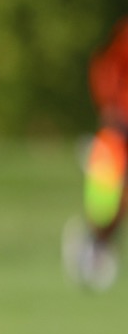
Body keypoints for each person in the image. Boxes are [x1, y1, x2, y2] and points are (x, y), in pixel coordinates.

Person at [64, 17, 128, 291]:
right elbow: (106, 69)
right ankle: (94, 246)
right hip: (119, 130)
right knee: (104, 204)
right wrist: (109, 110)